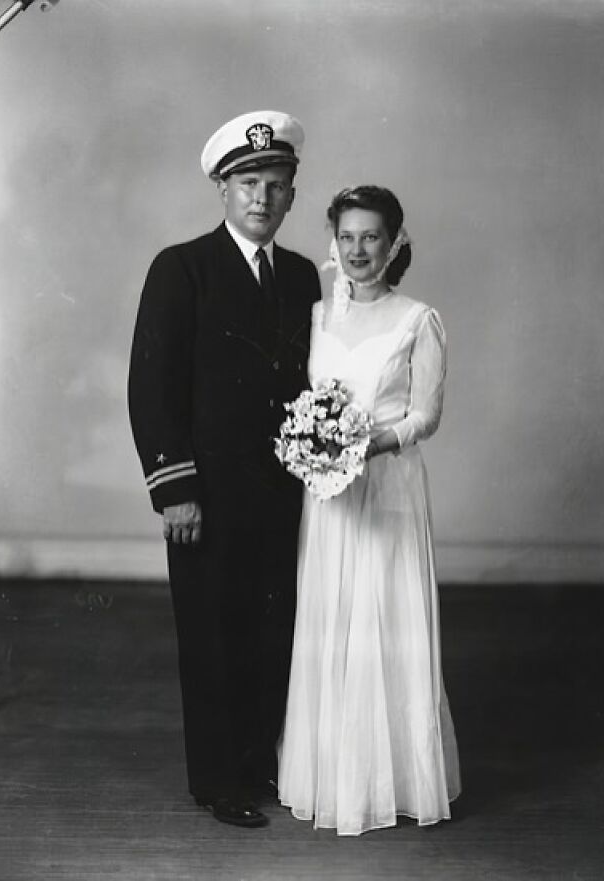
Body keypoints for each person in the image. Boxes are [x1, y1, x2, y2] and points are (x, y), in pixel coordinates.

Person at [128, 110, 321, 828]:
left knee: (274, 630)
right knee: (213, 634)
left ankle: (257, 762)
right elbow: (152, 386)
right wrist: (175, 489)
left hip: (286, 493)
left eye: (275, 184)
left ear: (293, 195)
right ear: (221, 188)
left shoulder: (303, 276)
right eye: (247, 182)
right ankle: (217, 780)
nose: (262, 197)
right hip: (206, 494)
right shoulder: (183, 268)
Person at [277, 185, 461, 836]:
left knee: (386, 618)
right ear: (334, 241)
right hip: (329, 496)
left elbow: (425, 415)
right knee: (332, 618)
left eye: (372, 237)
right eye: (347, 237)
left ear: (395, 242)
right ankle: (334, 775)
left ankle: (395, 782)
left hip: (387, 489)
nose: (358, 250)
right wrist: (322, 450)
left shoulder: (419, 318)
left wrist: (366, 445)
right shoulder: (318, 316)